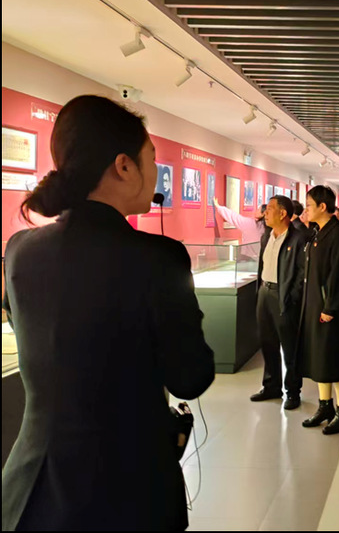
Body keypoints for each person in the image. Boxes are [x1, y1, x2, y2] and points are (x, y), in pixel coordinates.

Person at [1, 95, 215, 531]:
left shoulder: (20, 250)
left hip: (33, 489)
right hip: (127, 488)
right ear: (124, 166)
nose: (155, 172)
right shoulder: (158, 258)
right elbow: (190, 377)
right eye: (151, 159)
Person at [299, 186, 339, 435]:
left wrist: (330, 307)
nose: (306, 210)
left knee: (334, 359)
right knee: (320, 357)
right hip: (316, 303)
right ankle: (325, 406)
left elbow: (338, 274)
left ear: (323, 206)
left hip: (330, 308)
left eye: (309, 205)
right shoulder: (318, 232)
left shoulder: (338, 233)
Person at [250, 195, 308, 410]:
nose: (265, 212)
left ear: (283, 213)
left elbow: (302, 273)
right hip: (265, 292)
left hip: (283, 296)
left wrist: (292, 296)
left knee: (289, 346)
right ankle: (271, 386)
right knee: (267, 342)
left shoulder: (298, 238)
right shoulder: (267, 235)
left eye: (270, 208)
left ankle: (293, 391)